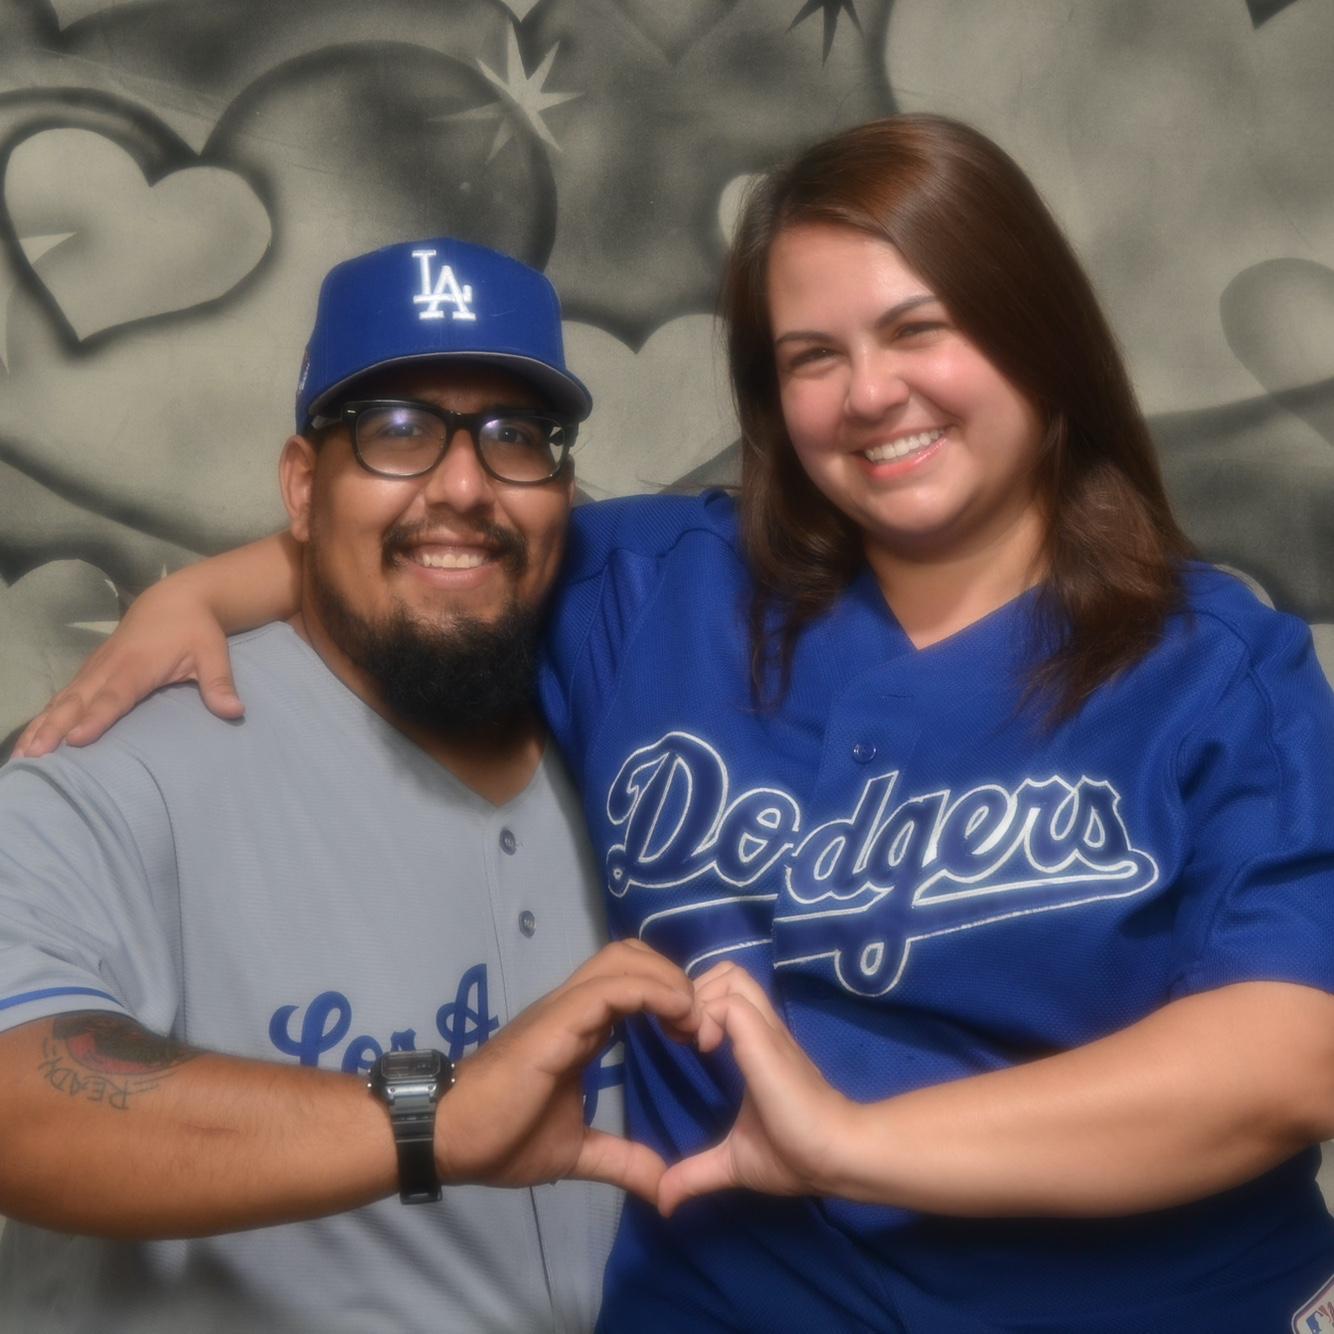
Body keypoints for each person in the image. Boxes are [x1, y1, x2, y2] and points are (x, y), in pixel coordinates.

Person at [21, 115, 1334, 1332]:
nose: (867, 394)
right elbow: (448, 536)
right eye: (811, 356)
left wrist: (849, 1142)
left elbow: (1283, 1062)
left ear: (1037, 341)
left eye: (916, 328)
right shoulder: (659, 593)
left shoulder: (1218, 665)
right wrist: (198, 590)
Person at [0, 236, 703, 1333]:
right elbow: (16, 1095)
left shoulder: (631, 725)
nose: (463, 483)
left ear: (562, 490)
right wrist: (429, 1117)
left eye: (513, 436)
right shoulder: (116, 763)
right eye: (396, 431)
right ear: (300, 483)